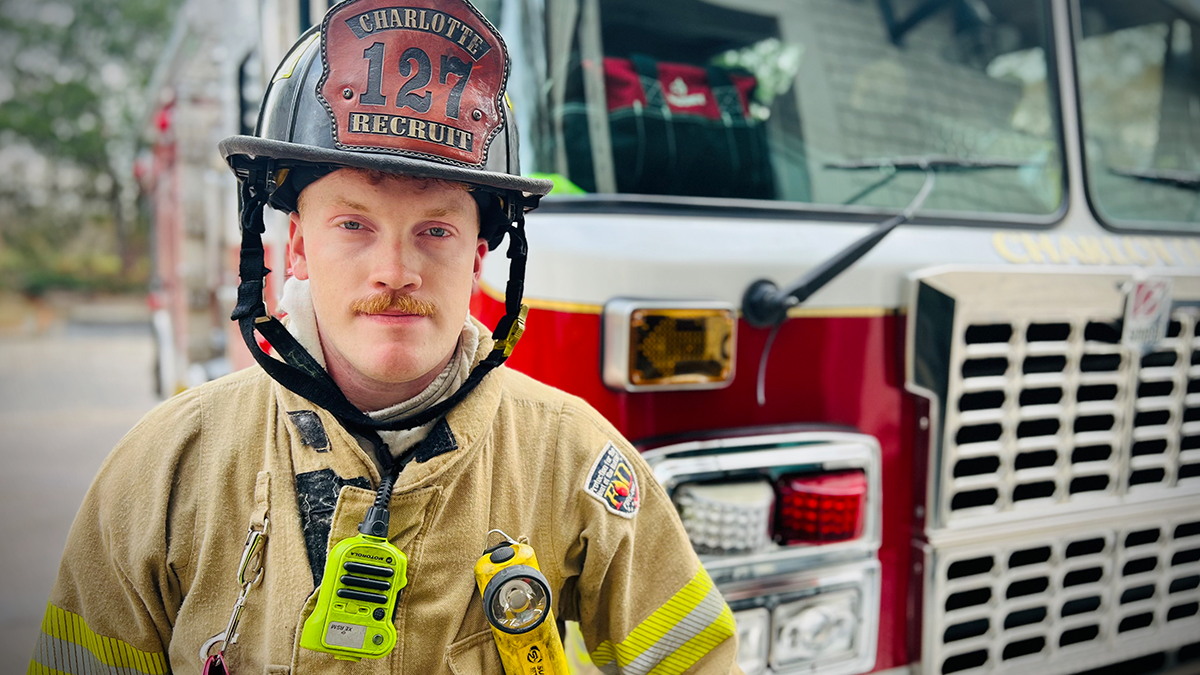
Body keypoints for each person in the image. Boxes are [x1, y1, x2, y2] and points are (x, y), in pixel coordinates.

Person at [29, 0, 742, 673]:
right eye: (354, 225)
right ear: (296, 247)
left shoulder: (574, 459)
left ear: (477, 256)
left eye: (435, 230)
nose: (395, 271)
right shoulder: (163, 468)